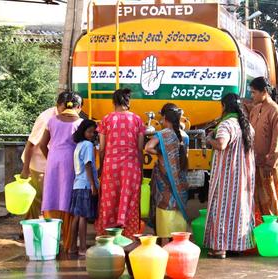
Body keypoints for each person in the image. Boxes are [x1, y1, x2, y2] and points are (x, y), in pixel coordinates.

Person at [204, 93, 255, 259]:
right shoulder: (245, 125)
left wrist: (209, 138)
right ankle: (236, 246)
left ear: (224, 106)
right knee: (239, 209)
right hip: (243, 176)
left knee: (222, 210)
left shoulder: (227, 124)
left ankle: (220, 248)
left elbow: (221, 144)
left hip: (227, 176)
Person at [95, 88, 145, 238]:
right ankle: (128, 236)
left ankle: (108, 236)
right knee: (130, 199)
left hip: (111, 166)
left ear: (113, 102)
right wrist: (140, 169)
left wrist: (102, 166)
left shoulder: (106, 119)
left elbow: (102, 148)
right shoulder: (137, 120)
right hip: (131, 166)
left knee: (109, 200)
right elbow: (140, 149)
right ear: (128, 102)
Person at [39, 92, 83, 251]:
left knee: (52, 196)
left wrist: (51, 157)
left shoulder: (51, 121)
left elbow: (42, 144)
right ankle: (69, 244)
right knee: (68, 198)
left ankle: (51, 243)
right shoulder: (80, 123)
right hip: (71, 163)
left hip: (53, 162)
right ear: (78, 107)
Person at [20, 91, 69, 220]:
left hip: (50, 164)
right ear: (57, 105)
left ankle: (32, 226)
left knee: (44, 197)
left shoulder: (64, 118)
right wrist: (25, 169)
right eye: (63, 109)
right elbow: (31, 144)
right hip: (38, 164)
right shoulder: (46, 118)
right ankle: (30, 228)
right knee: (37, 197)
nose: (66, 112)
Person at [145, 104, 189, 244]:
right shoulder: (185, 136)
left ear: (165, 118)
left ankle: (161, 243)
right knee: (177, 207)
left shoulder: (163, 134)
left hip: (164, 179)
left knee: (164, 205)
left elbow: (148, 147)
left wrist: (161, 153)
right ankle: (176, 241)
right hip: (180, 179)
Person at [249, 77, 278, 223]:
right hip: (256, 162)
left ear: (264, 92)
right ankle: (261, 234)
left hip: (270, 166)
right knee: (257, 200)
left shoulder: (276, 112)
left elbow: (277, 141)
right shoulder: (255, 109)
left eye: (254, 93)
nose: (252, 96)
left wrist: (270, 164)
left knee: (273, 199)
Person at [69, 119, 99, 256]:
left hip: (77, 184)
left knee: (76, 216)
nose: (92, 134)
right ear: (83, 131)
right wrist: (93, 184)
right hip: (85, 184)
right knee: (83, 217)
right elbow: (87, 164)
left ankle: (72, 247)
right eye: (90, 131)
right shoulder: (87, 145)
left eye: (94, 132)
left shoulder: (78, 145)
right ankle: (82, 248)